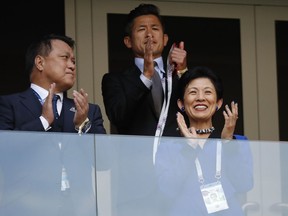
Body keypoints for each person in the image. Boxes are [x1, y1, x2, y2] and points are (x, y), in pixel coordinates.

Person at [154, 66, 254, 215]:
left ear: (218, 103)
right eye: (193, 92)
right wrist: (188, 149)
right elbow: (166, 190)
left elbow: (244, 184)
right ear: (181, 104)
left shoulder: (236, 142)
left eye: (207, 92)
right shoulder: (169, 146)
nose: (200, 98)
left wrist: (228, 143)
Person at [101, 3, 188, 136]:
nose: (149, 34)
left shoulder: (178, 73)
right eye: (142, 29)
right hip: (137, 155)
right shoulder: (114, 80)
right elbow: (118, 117)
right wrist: (146, 76)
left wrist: (183, 72)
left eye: (154, 28)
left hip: (178, 154)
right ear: (128, 41)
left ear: (165, 39)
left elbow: (197, 110)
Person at [0, 33, 106, 134]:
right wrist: (43, 121)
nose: (72, 66)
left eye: (73, 61)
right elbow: (5, 147)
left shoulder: (89, 112)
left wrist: (82, 125)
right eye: (65, 58)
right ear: (40, 63)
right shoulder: (8, 105)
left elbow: (101, 150)